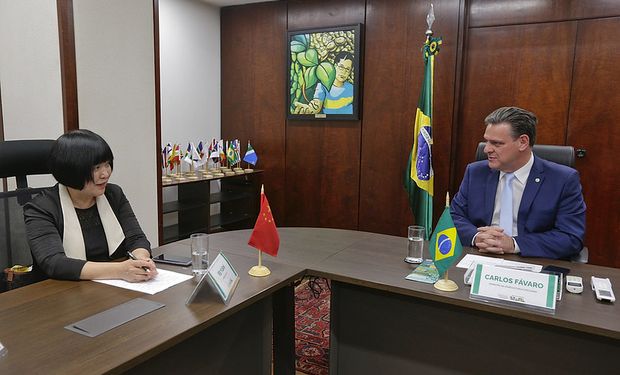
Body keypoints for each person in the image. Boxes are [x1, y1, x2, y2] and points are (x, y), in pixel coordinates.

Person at [450, 106, 586, 259]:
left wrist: (514, 244)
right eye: (486, 141)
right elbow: (453, 217)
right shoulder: (475, 172)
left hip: (531, 260)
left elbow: (571, 237)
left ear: (523, 142)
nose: (487, 149)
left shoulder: (562, 180)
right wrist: (477, 237)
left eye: (497, 143)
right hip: (479, 255)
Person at [24, 130, 158, 281]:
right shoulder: (41, 208)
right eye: (96, 168)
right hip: (62, 292)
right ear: (72, 170)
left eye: (107, 164)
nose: (105, 174)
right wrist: (120, 270)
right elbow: (55, 263)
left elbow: (136, 239)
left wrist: (141, 260)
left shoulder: (113, 194)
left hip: (111, 287)